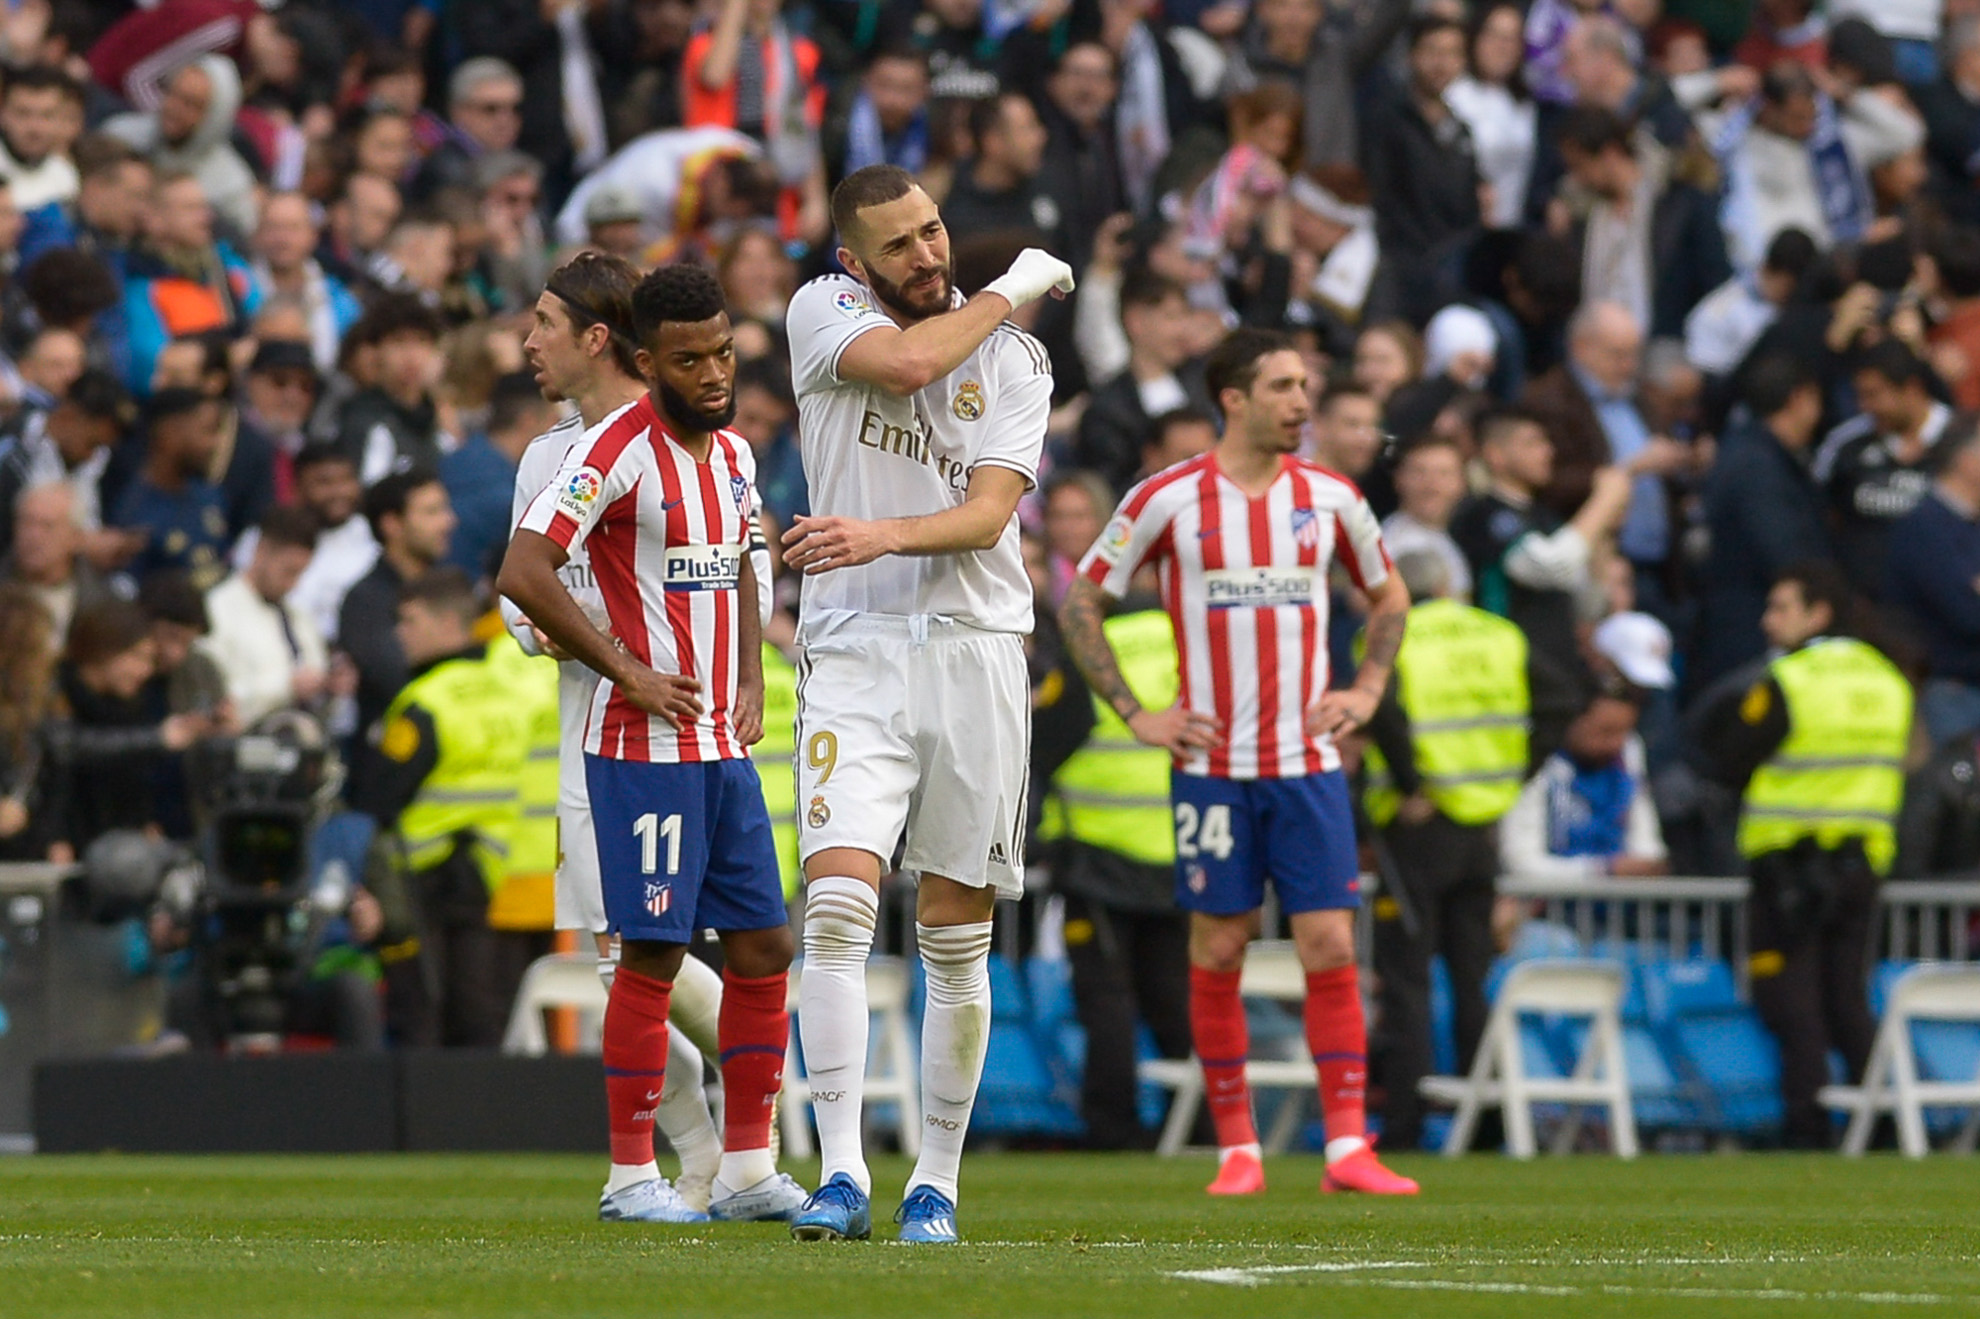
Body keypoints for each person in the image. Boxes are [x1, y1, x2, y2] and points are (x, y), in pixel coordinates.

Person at [776, 163, 1071, 1243]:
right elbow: (902, 366)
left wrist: (880, 534)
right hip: (853, 648)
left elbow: (992, 513)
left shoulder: (1019, 360)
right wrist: (1012, 285)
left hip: (977, 650)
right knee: (841, 904)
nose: (927, 254)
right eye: (898, 243)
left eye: (935, 230)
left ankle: (935, 1180)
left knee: (955, 929)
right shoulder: (823, 310)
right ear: (853, 260)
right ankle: (842, 1170)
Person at [1061, 326, 1417, 1197]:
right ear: (1235, 398)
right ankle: (1239, 1150)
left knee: (1329, 939)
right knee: (1219, 945)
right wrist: (1138, 712)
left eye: (1307, 386)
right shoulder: (1166, 499)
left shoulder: (1331, 498)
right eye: (1286, 386)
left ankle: (1345, 1149)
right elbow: (1081, 601)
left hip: (1307, 764)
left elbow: (1389, 594)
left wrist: (1367, 691)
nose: (1303, 402)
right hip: (1214, 766)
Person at [500, 261, 802, 1226]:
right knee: (643, 956)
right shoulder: (596, 452)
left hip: (717, 739)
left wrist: (753, 674)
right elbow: (523, 574)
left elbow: (744, 563)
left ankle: (746, 1169)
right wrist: (626, 667)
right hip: (627, 741)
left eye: (725, 353)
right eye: (693, 358)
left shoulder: (733, 451)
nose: (716, 373)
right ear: (641, 357)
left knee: (762, 944)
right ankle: (639, 1174)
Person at [1692, 561, 1912, 1149]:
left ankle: (1806, 1125)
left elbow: (1731, 758)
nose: (1768, 622)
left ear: (1818, 613)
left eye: (1781, 607)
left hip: (1788, 864)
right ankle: (1883, 1125)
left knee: (1789, 998)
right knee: (1847, 996)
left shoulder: (1790, 680)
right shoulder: (1887, 679)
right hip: (1862, 860)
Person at [1361, 550, 1532, 1152]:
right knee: (1471, 977)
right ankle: (1485, 1123)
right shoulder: (1502, 637)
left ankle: (1407, 1124)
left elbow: (1376, 704)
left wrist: (1411, 783)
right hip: (1482, 825)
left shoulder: (1393, 632)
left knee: (1407, 981)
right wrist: (1515, 778)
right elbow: (1561, 701)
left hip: (1420, 827)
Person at [351, 567, 525, 1049]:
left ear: (447, 623)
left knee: (419, 1009)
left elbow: (378, 795)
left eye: (409, 621)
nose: (399, 635)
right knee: (478, 1011)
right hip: (488, 873)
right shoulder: (507, 693)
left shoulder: (424, 700)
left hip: (418, 877)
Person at [1696, 355, 1834, 688]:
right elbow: (1785, 552)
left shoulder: (1757, 454)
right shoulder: (1757, 467)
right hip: (1750, 630)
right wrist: (1828, 596)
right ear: (1800, 398)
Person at [1813, 340, 1955, 598]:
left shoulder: (1963, 442)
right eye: (1860, 396)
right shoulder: (1847, 444)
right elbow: (1820, 515)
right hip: (1866, 605)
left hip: (1944, 607)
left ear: (1912, 388)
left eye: (1874, 394)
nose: (1864, 406)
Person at [1499, 684, 1668, 882]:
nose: (1616, 743)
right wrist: (1603, 871)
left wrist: (1645, 863)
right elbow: (1521, 861)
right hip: (1550, 903)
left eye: (1625, 731)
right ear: (1571, 721)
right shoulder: (1535, 761)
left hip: (1620, 906)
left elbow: (1647, 845)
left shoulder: (1628, 752)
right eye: (1606, 732)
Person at [340, 470, 456, 743]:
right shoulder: (365, 602)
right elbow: (395, 680)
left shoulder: (452, 588)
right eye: (431, 512)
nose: (449, 521)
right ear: (392, 524)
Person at [1885, 419, 1980, 743]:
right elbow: (1967, 614)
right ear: (1965, 460)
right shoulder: (1924, 528)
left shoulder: (1970, 526)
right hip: (1951, 691)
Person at [199, 507, 328, 728]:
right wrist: (286, 687)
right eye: (288, 571)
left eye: (300, 574)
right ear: (261, 551)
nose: (294, 584)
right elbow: (215, 698)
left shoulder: (299, 618)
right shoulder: (217, 609)